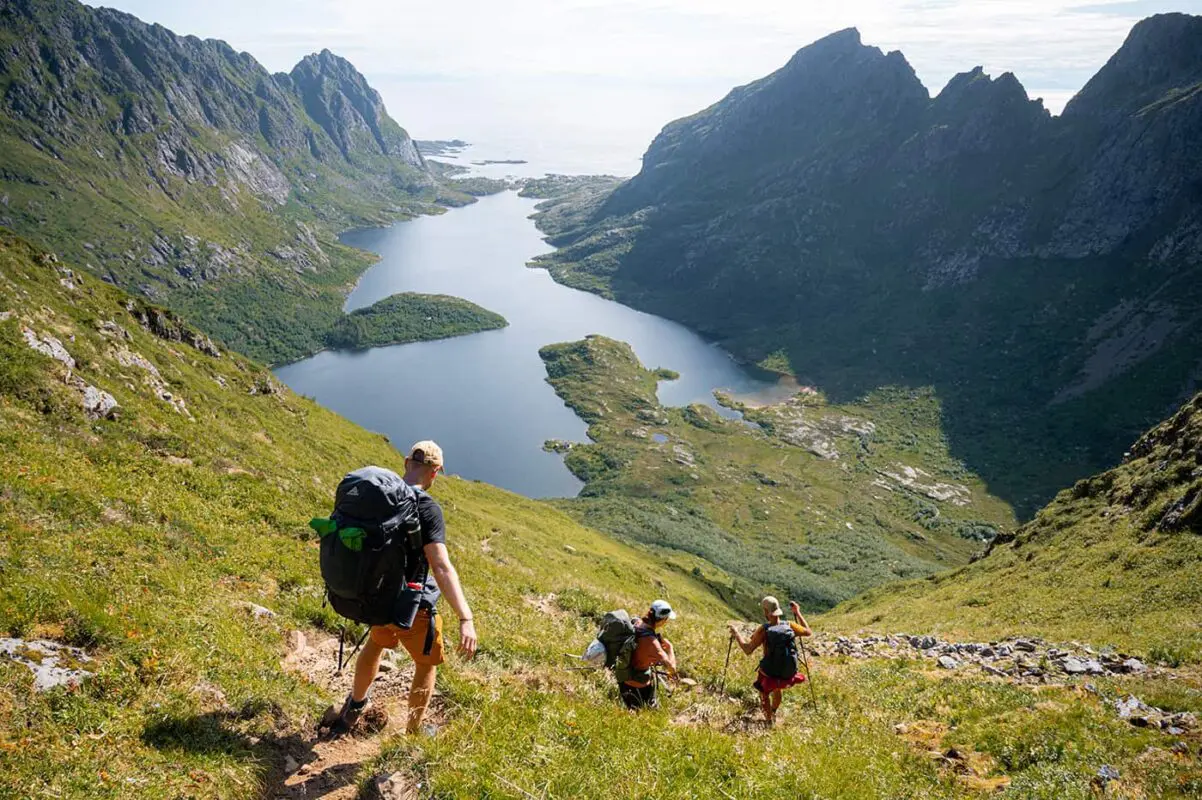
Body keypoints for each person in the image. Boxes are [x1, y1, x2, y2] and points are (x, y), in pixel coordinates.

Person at [326, 441, 477, 735]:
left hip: (375, 600)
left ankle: (353, 708)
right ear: (435, 472)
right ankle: (413, 732)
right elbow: (441, 566)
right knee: (426, 663)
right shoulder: (426, 507)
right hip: (412, 607)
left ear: (407, 462)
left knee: (375, 645)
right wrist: (465, 617)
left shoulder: (379, 498)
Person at [728, 596, 811, 725]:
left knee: (764, 692)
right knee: (777, 689)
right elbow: (808, 632)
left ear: (766, 612)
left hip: (770, 672)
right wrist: (797, 612)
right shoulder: (789, 625)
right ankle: (774, 711)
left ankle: (768, 721)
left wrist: (736, 634)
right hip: (787, 673)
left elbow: (748, 649)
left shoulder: (764, 630)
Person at [619, 600, 678, 710]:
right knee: (642, 715)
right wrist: (670, 649)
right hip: (638, 687)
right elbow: (672, 668)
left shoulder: (636, 622)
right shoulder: (652, 642)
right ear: (663, 620)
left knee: (631, 711)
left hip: (624, 679)